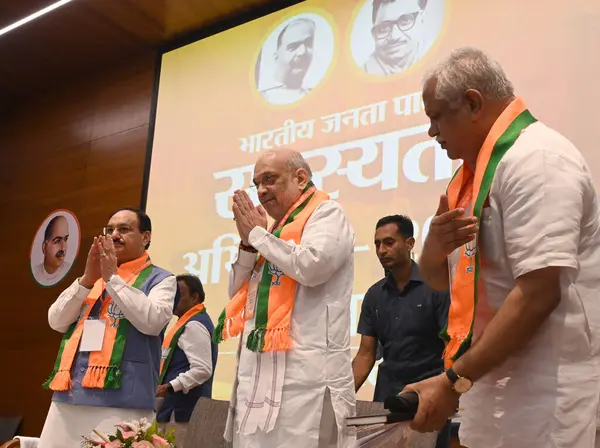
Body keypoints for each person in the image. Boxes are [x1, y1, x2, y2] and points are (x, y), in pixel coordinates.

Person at [402, 47, 600, 448]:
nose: (431, 132)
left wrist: (453, 381)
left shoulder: (538, 159)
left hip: (544, 389)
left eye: (437, 116)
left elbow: (538, 293)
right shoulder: (470, 179)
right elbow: (440, 283)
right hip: (487, 381)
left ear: (473, 102)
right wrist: (434, 249)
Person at [214, 149, 356, 447]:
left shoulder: (327, 214)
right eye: (257, 184)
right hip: (258, 375)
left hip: (306, 380)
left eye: (269, 179)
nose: (262, 190)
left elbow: (313, 267)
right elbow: (237, 295)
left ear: (300, 178)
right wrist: (249, 245)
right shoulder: (271, 233)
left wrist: (259, 236)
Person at [39, 207, 177, 448]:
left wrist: (113, 279)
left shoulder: (161, 279)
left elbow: (152, 321)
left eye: (124, 229)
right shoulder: (92, 278)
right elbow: (56, 321)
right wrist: (85, 281)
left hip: (123, 401)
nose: (114, 235)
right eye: (110, 229)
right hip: (69, 397)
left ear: (146, 237)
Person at [352, 215, 451, 448]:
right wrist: (341, 397)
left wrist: (448, 392)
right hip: (387, 402)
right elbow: (365, 355)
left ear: (410, 243)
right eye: (377, 244)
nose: (381, 250)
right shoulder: (373, 295)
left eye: (389, 242)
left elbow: (451, 346)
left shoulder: (437, 286)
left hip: (428, 399)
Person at [157, 274, 217, 446]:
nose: (175, 300)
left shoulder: (194, 325)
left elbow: (203, 370)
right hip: (173, 410)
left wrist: (169, 386)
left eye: (180, 295)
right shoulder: (186, 322)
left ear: (195, 297)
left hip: (183, 413)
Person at [363, 0, 429, 76]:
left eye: (405, 20)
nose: (395, 36)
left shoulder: (437, 57)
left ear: (422, 17)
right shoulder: (363, 76)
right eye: (383, 28)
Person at [260, 18, 315, 105]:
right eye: (293, 47)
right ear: (276, 57)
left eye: (308, 44)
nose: (302, 52)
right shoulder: (262, 98)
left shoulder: (315, 95)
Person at [33, 215, 72, 286]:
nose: (63, 248)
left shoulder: (71, 271)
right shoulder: (36, 271)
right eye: (57, 241)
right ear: (44, 247)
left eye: (65, 239)